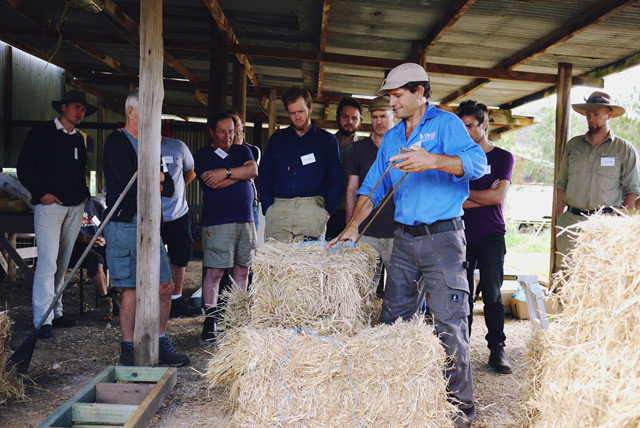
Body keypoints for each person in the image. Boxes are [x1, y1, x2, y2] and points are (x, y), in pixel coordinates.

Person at [328, 63, 486, 428]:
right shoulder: (395, 136)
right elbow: (372, 187)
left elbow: (477, 163)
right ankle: (395, 404)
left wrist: (434, 160)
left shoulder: (446, 124)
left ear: (419, 92)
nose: (392, 103)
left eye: (397, 96)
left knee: (449, 326)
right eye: (389, 97)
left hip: (443, 239)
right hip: (404, 239)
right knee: (393, 323)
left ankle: (459, 414)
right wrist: (353, 227)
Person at [103, 89, 190, 367]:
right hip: (125, 222)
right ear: (131, 113)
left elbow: (172, 186)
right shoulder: (117, 142)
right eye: (149, 113)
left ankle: (161, 340)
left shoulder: (153, 144)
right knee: (132, 288)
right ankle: (128, 347)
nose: (155, 120)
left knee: (165, 285)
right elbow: (131, 184)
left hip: (152, 224)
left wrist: (156, 178)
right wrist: (157, 178)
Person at [17, 90, 94, 339]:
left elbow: (82, 169)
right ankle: (42, 319)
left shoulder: (78, 139)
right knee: (48, 262)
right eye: (76, 107)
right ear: (63, 107)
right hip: (50, 206)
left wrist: (84, 195)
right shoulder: (42, 132)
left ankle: (56, 312)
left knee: (62, 263)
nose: (79, 112)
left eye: (82, 108)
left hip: (74, 206)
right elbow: (24, 167)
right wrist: (42, 194)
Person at [456, 100, 515, 375]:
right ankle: (461, 350)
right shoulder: (457, 161)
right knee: (462, 295)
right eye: (462, 126)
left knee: (492, 295)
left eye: (470, 126)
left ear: (484, 124)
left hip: (492, 233)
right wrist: (483, 197)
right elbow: (452, 200)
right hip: (461, 234)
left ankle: (497, 350)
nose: (466, 131)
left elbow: (498, 197)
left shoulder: (503, 157)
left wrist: (466, 196)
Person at [555, 91, 640, 269]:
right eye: (588, 115)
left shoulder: (624, 149)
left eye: (596, 114)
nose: (590, 118)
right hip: (571, 222)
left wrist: (621, 224)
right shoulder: (573, 145)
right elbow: (561, 184)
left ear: (609, 115)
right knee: (567, 278)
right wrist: (559, 219)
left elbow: (632, 190)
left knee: (600, 279)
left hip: (605, 225)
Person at [194, 112, 258, 342]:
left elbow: (253, 170)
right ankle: (211, 319)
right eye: (222, 131)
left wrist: (227, 172)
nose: (227, 136)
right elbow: (212, 184)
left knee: (243, 269)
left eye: (231, 131)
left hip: (246, 219)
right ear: (212, 132)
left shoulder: (243, 151)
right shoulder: (203, 155)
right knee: (215, 271)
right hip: (218, 221)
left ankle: (237, 317)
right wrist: (240, 176)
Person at [259, 86, 344, 241]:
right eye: (292, 113)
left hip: (312, 209)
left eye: (301, 111)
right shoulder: (277, 140)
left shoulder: (326, 141)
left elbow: (336, 180)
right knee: (276, 263)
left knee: (307, 263)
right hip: (279, 209)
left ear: (310, 108)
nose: (297, 117)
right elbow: (265, 176)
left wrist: (325, 212)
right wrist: (268, 208)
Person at [344, 95, 396, 295]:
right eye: (374, 116)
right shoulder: (358, 149)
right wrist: (351, 226)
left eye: (384, 115)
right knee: (363, 290)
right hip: (366, 230)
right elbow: (351, 189)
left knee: (397, 290)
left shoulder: (404, 149)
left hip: (397, 231)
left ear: (394, 116)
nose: (379, 121)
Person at [160, 135, 201, 318]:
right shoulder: (136, 144)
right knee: (150, 257)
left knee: (180, 257)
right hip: (149, 214)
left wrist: (176, 189)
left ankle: (176, 301)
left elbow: (190, 171)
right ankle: (152, 300)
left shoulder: (178, 145)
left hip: (177, 213)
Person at [68, 197, 119, 320]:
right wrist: (84, 239)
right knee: (95, 259)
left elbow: (106, 227)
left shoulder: (96, 205)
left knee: (120, 254)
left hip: (97, 244)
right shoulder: (69, 206)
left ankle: (115, 293)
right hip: (77, 247)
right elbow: (65, 233)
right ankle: (105, 301)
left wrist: (104, 238)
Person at [326, 97, 363, 239]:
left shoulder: (363, 148)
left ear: (360, 121)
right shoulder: (325, 144)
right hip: (325, 213)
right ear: (337, 117)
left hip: (351, 217)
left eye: (354, 118)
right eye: (345, 117)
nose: (349, 122)